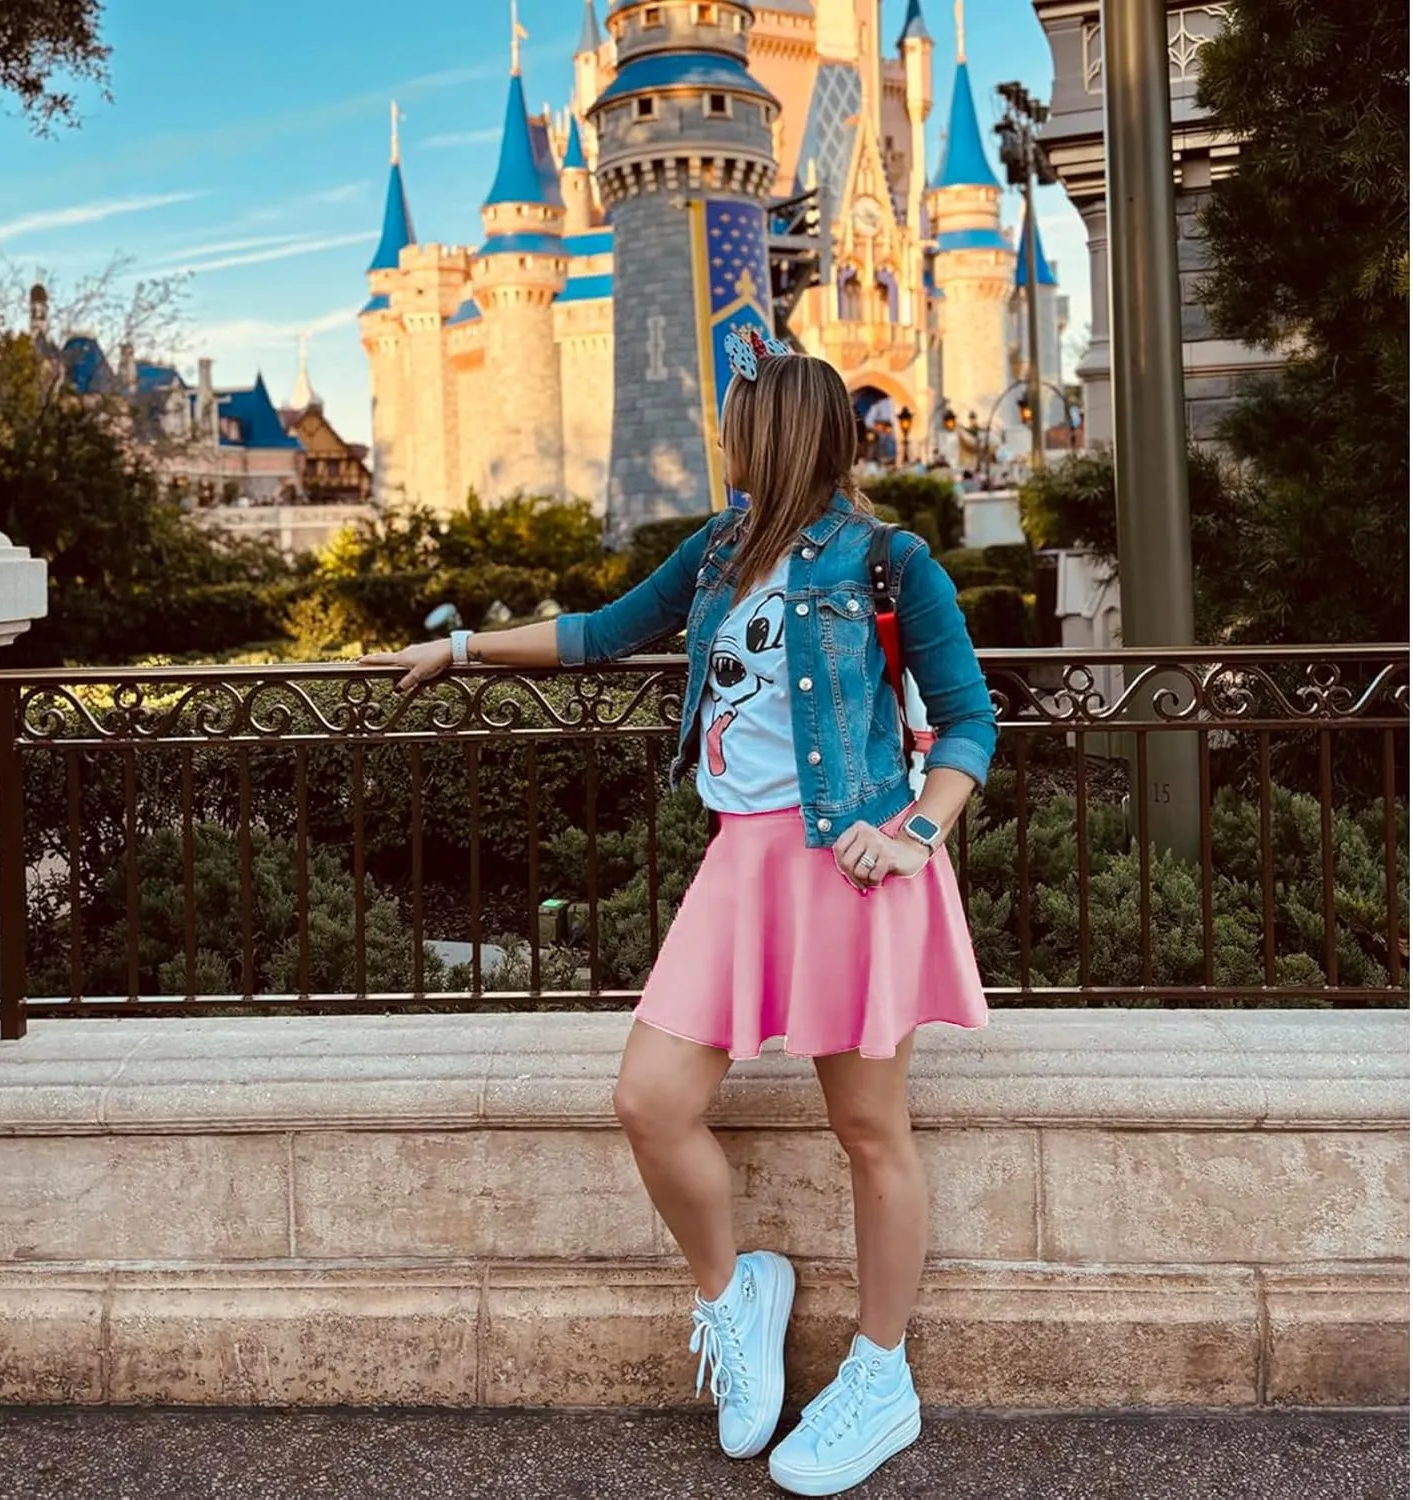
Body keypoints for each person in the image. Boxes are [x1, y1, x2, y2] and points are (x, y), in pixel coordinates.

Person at [360, 346, 996, 1496]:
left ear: (779, 436)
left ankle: (879, 1374)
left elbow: (966, 726)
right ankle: (735, 1292)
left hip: (851, 865)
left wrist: (914, 832)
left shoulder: (890, 563)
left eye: (737, 424)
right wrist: (458, 650)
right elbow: (600, 632)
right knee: (649, 1101)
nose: (723, 441)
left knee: (868, 1129)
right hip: (741, 864)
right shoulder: (715, 551)